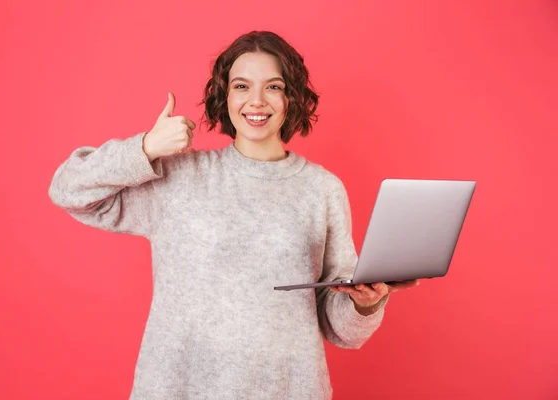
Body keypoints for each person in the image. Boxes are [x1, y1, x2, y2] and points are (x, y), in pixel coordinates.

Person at [48, 30, 418, 400]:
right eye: (242, 86)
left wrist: (364, 303)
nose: (256, 101)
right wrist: (145, 148)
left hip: (287, 388)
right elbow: (68, 190)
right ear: (224, 96)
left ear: (292, 98)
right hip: (179, 387)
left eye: (273, 87)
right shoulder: (180, 177)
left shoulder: (321, 189)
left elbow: (342, 331)